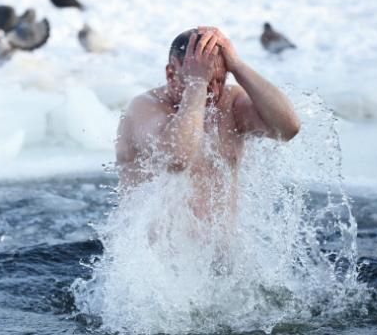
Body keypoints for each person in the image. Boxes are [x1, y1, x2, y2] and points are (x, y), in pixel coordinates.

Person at [115, 26, 300, 229]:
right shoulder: (143, 107)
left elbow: (288, 128)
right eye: (203, 81)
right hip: (156, 259)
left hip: (223, 257)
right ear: (170, 74)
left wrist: (238, 66)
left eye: (219, 80)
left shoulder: (230, 102)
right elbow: (176, 159)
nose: (211, 91)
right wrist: (197, 84)